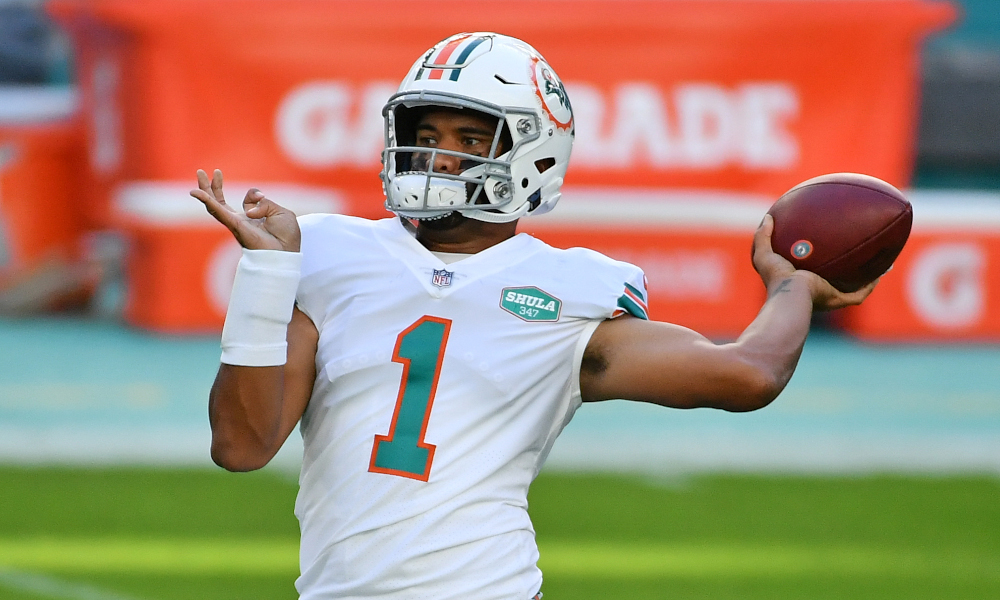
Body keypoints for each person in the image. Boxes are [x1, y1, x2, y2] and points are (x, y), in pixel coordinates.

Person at [191, 32, 876, 600]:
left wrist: (794, 287)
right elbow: (242, 447)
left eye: (468, 136)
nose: (435, 153)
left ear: (532, 153)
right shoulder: (328, 252)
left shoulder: (569, 291)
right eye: (425, 131)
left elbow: (748, 374)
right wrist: (266, 277)